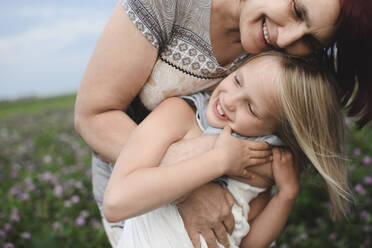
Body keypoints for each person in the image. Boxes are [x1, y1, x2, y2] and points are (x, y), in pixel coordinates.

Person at [74, 0, 371, 246]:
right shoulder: (168, 7)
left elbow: (247, 233)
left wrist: (282, 192)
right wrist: (197, 180)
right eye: (296, 10)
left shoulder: (281, 67)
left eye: (310, 40)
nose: (286, 40)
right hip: (135, 198)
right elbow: (94, 116)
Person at [103, 52, 352, 248]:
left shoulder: (257, 162)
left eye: (252, 109)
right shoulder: (179, 115)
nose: (229, 100)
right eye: (237, 80)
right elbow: (116, 204)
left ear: (279, 131)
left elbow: (247, 242)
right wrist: (219, 160)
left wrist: (286, 194)